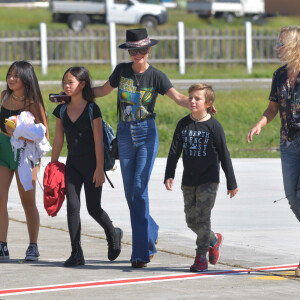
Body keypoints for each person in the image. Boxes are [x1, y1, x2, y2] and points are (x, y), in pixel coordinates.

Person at [93, 28, 191, 268]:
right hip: (125, 133)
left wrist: (201, 105)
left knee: (139, 187)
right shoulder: (121, 71)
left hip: (147, 133)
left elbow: (178, 97)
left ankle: (140, 254)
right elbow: (102, 91)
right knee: (131, 194)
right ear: (129, 51)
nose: (139, 54)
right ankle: (151, 231)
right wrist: (74, 94)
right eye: (134, 50)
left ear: (149, 50)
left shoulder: (157, 76)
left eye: (143, 50)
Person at [51, 66, 122, 267]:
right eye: (64, 81)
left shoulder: (93, 109)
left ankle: (112, 233)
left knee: (93, 208)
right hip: (72, 165)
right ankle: (76, 252)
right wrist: (53, 165)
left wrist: (100, 169)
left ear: (82, 85)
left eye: (70, 82)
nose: (66, 85)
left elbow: (99, 141)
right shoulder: (61, 109)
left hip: (92, 165)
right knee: (72, 208)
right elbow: (58, 139)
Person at [164, 83, 238, 272]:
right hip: (188, 180)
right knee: (191, 221)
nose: (192, 101)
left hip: (209, 180)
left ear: (208, 103)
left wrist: (231, 182)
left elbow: (224, 154)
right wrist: (169, 174)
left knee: (203, 219)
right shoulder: (183, 124)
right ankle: (213, 239)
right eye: (191, 98)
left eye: (198, 98)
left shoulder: (214, 126)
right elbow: (174, 152)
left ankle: (200, 257)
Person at [247, 26, 300, 276]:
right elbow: (272, 109)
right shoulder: (279, 75)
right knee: (292, 198)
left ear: (293, 45)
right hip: (287, 143)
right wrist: (260, 124)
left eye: (281, 43)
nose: (277, 48)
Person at [0, 60, 49, 261]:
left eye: (16, 76)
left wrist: (20, 132)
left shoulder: (33, 102)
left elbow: (44, 135)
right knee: (0, 200)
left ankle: (33, 245)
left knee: (28, 202)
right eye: (10, 75)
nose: (11, 79)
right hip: (3, 153)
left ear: (26, 78)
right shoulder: (3, 97)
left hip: (25, 156)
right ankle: (2, 245)